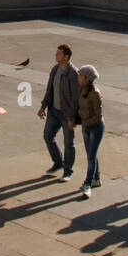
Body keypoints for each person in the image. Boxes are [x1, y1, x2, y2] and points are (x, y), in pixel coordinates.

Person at [37, 43, 79, 180]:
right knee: (48, 136)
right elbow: (50, 90)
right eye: (57, 53)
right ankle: (58, 162)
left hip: (67, 114)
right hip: (54, 111)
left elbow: (75, 99)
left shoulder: (73, 74)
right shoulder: (55, 69)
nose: (56, 55)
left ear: (67, 57)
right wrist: (43, 106)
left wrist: (73, 118)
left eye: (59, 54)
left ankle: (68, 171)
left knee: (69, 143)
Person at [74, 63, 103, 198]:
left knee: (91, 157)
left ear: (87, 78)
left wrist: (84, 122)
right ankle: (96, 179)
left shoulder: (94, 94)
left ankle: (88, 183)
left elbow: (98, 117)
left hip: (95, 128)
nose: (78, 77)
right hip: (86, 127)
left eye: (80, 75)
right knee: (91, 155)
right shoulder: (81, 90)